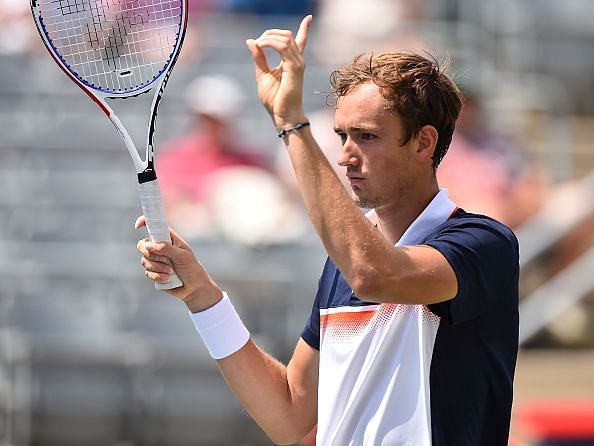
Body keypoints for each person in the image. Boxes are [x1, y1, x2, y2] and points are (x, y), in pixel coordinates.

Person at [136, 15, 520, 445]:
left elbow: (374, 273)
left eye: (367, 136)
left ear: (424, 143)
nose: (346, 156)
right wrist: (201, 295)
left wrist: (291, 123)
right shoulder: (344, 265)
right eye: (342, 136)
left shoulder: (483, 244)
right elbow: (289, 415)